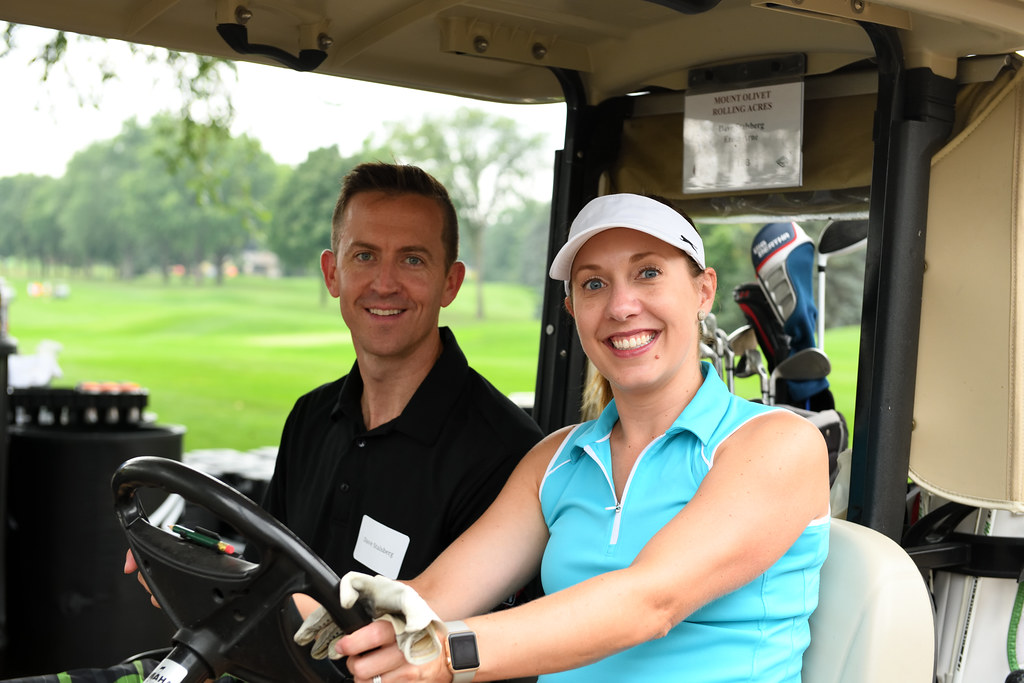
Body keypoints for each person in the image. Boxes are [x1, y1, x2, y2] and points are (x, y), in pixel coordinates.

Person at [7, 162, 543, 683]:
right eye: (364, 256)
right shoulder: (312, 416)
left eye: (412, 260)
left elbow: (464, 650)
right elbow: (273, 574)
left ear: (450, 283)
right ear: (333, 273)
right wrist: (194, 575)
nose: (384, 282)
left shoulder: (504, 452)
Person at [324, 193, 831, 682]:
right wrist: (356, 622)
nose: (621, 306)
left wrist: (450, 652)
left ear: (703, 291)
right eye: (593, 285)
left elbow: (648, 603)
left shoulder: (777, 444)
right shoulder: (556, 460)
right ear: (572, 311)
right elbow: (436, 593)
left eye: (648, 273)